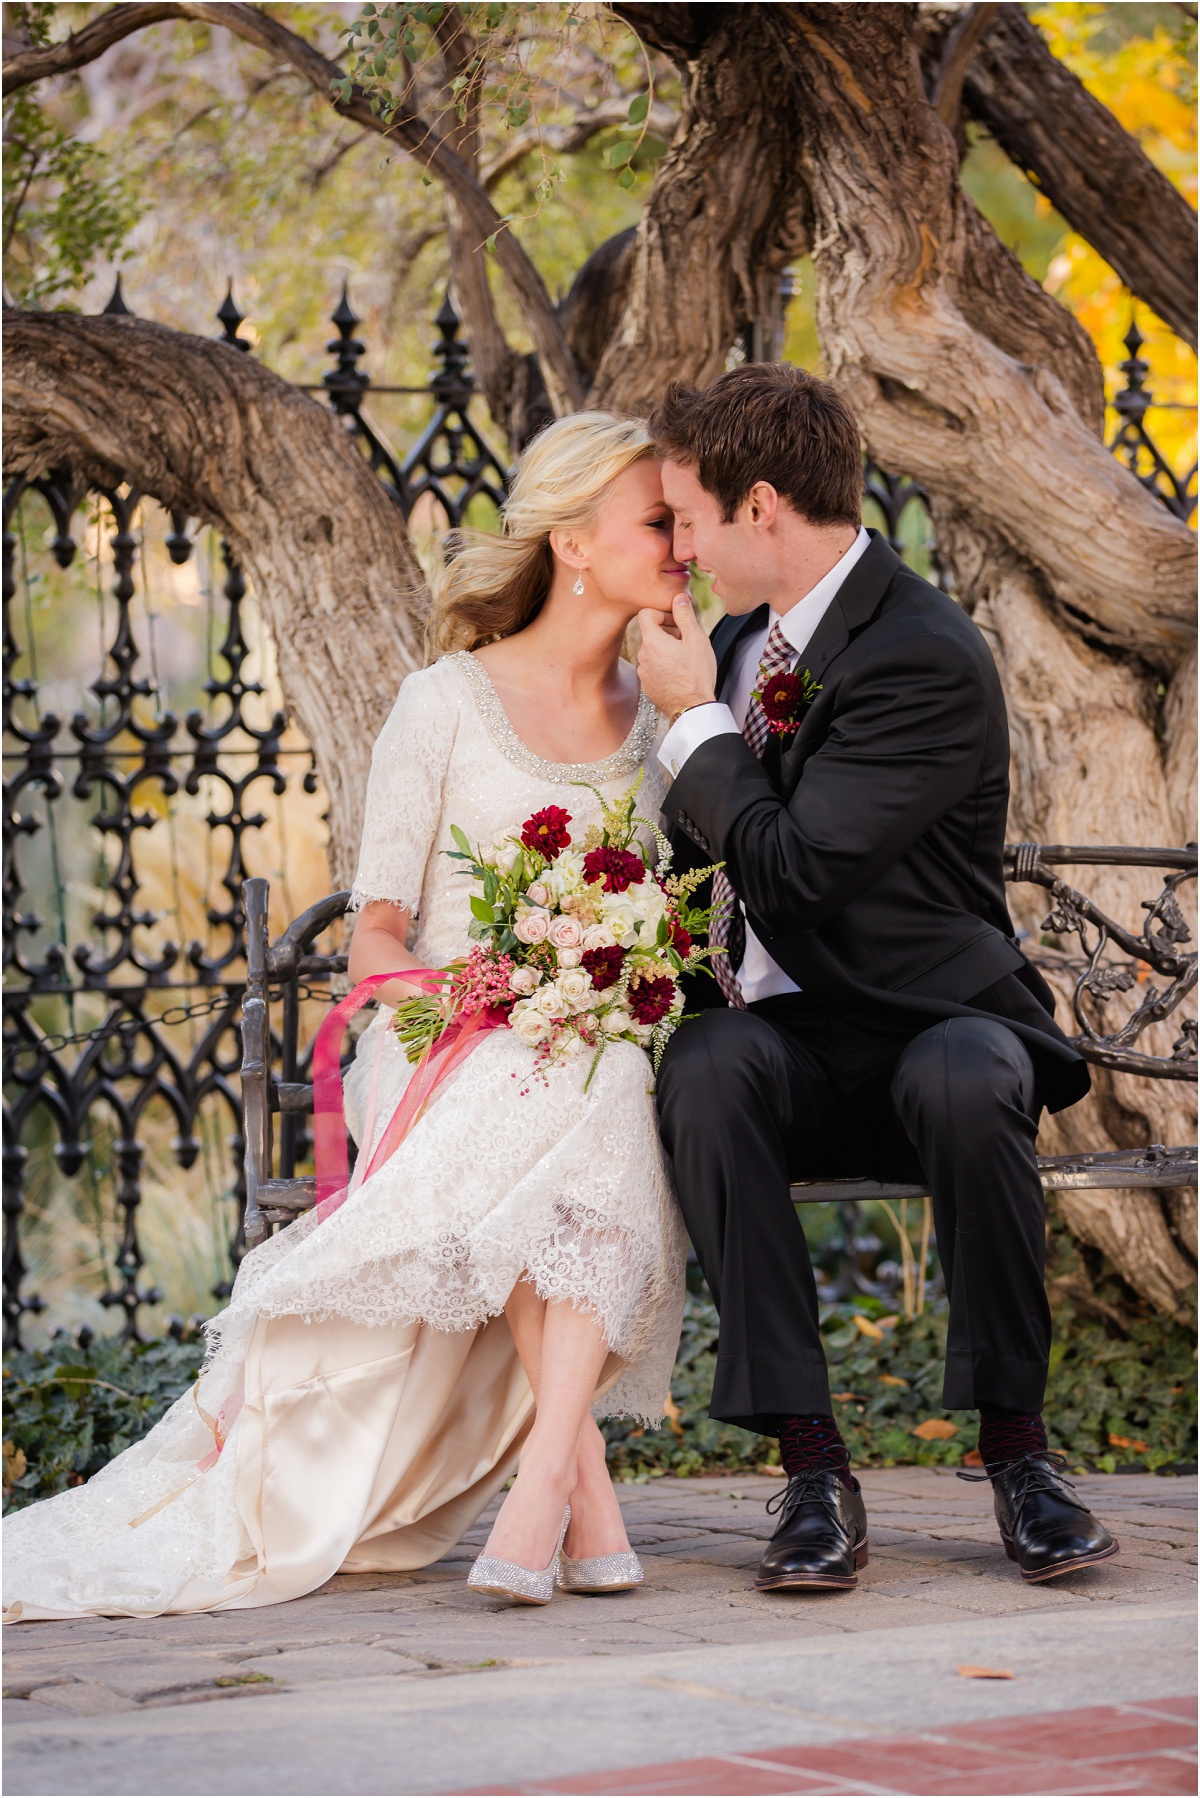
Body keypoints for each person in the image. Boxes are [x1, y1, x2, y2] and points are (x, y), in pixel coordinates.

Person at [3, 413, 687, 1622]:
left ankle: (556, 1501)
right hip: (436, 1039)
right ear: (574, 542)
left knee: (611, 1082)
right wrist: (493, 992)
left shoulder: (659, 722)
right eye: (658, 522)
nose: (683, 544)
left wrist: (586, 983)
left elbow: (673, 918)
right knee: (584, 1090)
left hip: (592, 1040)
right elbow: (378, 935)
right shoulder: (445, 701)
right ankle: (577, 1501)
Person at [636, 362, 1118, 1595]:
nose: (678, 548)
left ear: (759, 508)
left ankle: (1022, 1457)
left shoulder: (922, 650)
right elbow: (703, 864)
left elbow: (795, 871)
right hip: (793, 1042)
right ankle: (811, 1469)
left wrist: (694, 727)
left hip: (933, 1022)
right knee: (703, 1064)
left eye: (687, 517)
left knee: (969, 1076)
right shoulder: (738, 648)